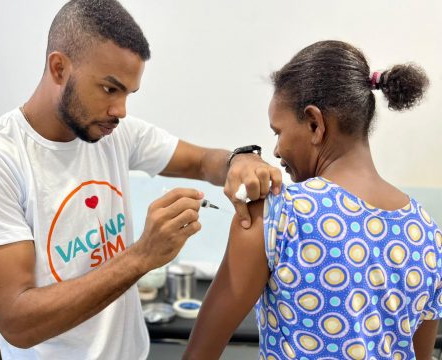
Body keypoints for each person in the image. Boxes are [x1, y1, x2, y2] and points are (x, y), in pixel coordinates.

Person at [0, 0, 283, 359]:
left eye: (127, 93)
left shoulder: (113, 133)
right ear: (58, 68)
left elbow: (202, 162)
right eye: (110, 89)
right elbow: (18, 322)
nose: (121, 111)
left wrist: (238, 159)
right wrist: (142, 256)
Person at [184, 40, 441, 360]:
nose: (275, 150)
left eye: (278, 132)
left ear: (315, 124)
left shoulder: (275, 213)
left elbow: (198, 356)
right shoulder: (429, 235)